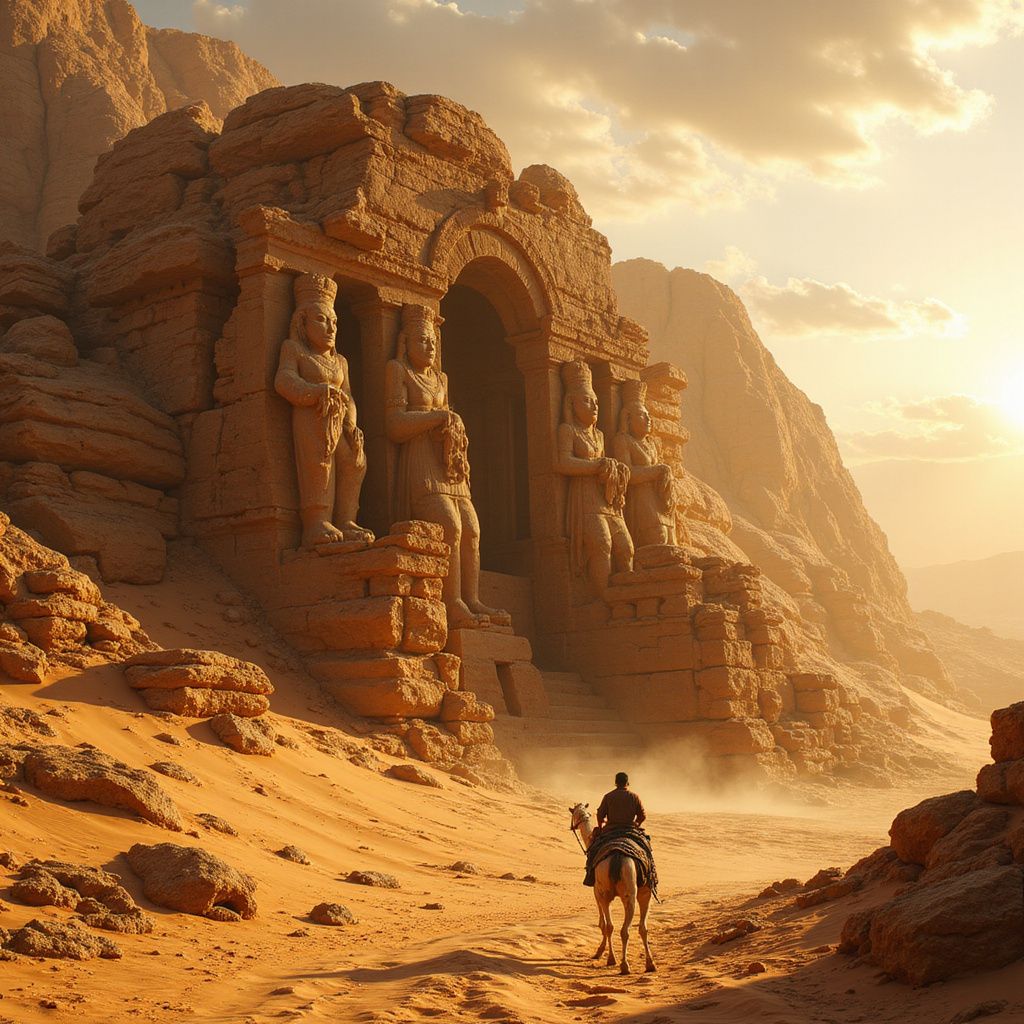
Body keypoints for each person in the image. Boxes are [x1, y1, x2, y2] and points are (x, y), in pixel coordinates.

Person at [385, 303, 510, 629]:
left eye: (432, 341)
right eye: (422, 340)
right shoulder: (399, 371)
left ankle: (472, 598)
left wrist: (449, 425)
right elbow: (395, 425)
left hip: (448, 464)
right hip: (421, 462)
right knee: (450, 526)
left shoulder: (440, 379)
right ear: (406, 341)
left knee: (471, 529)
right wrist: (438, 417)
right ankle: (452, 602)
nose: (429, 346)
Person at [584, 771, 650, 887]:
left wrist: (600, 826)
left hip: (611, 830)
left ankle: (590, 875)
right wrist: (636, 823)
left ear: (615, 783)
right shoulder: (634, 797)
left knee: (593, 850)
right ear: (627, 783)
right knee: (647, 849)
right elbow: (642, 815)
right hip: (630, 830)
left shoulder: (608, 796)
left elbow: (600, 815)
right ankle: (650, 877)